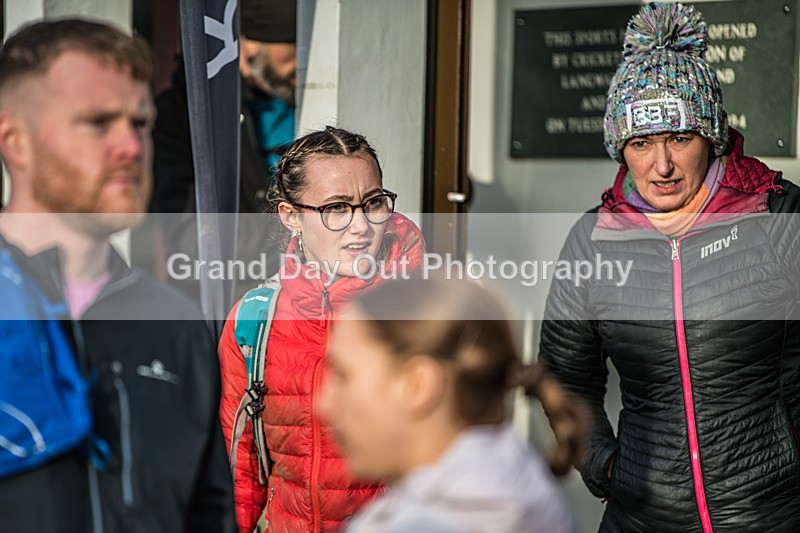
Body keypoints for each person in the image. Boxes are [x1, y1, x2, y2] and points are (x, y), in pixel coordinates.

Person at [539, 3, 800, 532]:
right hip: (642, 518)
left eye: (679, 138)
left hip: (771, 515)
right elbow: (564, 372)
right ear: (621, 148)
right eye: (640, 143)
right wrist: (607, 465)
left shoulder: (779, 216)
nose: (661, 166)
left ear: (711, 136)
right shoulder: (594, 241)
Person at [0, 19, 233, 532]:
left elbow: (208, 512)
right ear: (16, 140)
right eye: (98, 122)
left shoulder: (175, 324)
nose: (130, 146)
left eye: (141, 123)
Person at [218, 126, 427, 532]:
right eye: (336, 208)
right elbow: (240, 474)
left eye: (374, 203)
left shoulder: (426, 313)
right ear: (291, 215)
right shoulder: (255, 321)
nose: (361, 226)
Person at [320, 277, 581, 533]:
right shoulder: (517, 481)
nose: (322, 404)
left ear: (417, 385)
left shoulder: (426, 524)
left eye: (344, 375)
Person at [140, 0, 297, 297]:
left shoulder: (312, 97)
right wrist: (303, 227)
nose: (302, 59)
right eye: (290, 46)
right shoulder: (187, 114)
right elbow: (191, 236)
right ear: (248, 45)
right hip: (231, 302)